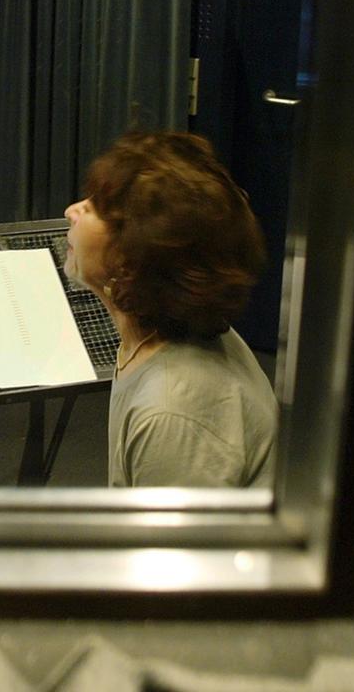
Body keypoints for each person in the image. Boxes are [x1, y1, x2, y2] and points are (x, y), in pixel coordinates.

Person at [63, 131, 277, 488]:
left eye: (95, 209)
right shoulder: (154, 335)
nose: (72, 211)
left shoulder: (172, 413)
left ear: (131, 259)